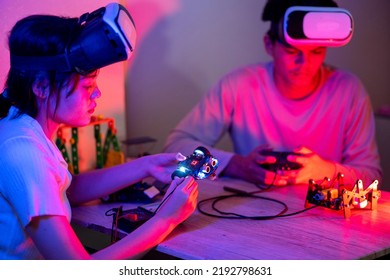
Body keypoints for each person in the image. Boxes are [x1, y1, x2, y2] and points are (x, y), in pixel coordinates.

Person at [0, 4, 198, 260]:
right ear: (41, 86)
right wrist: (165, 219)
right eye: (87, 85)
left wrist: (147, 166)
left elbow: (66, 190)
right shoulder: (23, 150)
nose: (97, 94)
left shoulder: (23, 127)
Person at [164, 0, 382, 188]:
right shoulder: (240, 85)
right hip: (251, 210)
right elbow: (176, 146)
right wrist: (236, 165)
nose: (304, 63)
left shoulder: (348, 90)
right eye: (291, 51)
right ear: (269, 45)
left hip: (323, 219)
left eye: (316, 51)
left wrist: (323, 171)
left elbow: (372, 176)